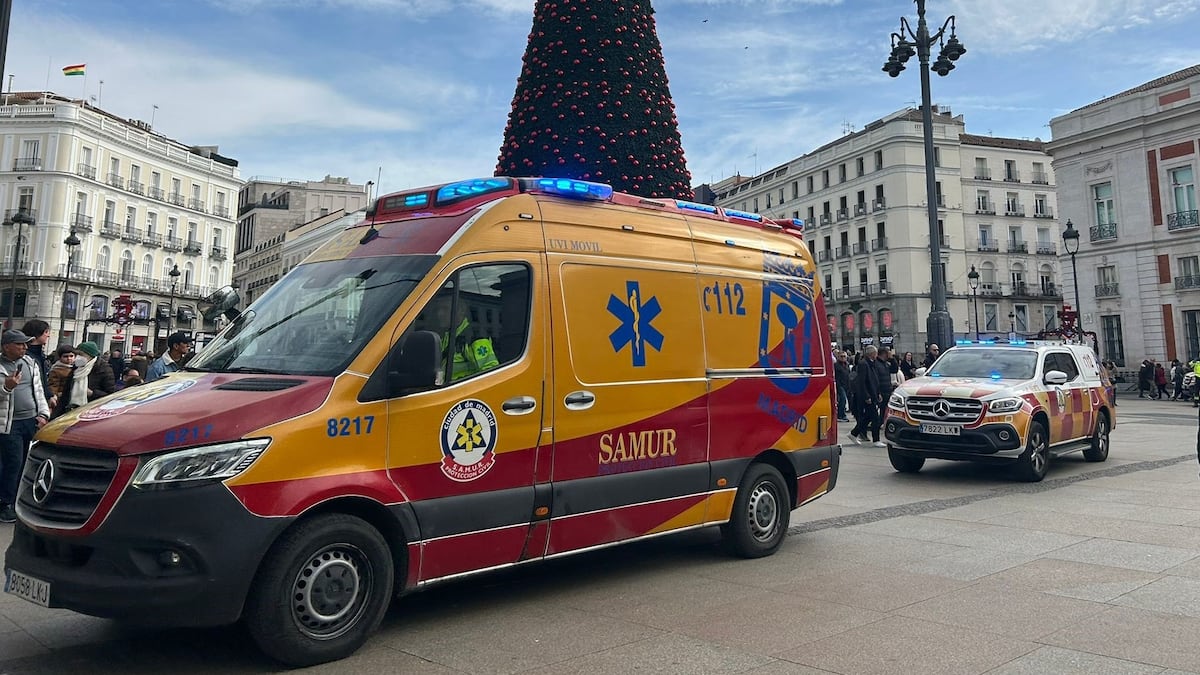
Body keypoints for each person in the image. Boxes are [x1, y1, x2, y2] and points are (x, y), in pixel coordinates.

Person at [0, 329, 50, 524]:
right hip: (8, 424)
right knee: (12, 463)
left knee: (26, 462)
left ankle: (18, 499)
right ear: (6, 346)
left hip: (31, 420)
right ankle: (6, 503)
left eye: (25, 344)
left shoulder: (30, 363)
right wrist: (7, 387)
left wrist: (43, 413)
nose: (25, 347)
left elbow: (37, 390)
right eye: (20, 344)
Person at [849, 345, 885, 446]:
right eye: (875, 353)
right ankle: (876, 439)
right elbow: (862, 382)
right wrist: (866, 396)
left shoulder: (872, 363)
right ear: (872, 354)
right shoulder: (863, 364)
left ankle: (854, 433)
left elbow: (874, 379)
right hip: (868, 395)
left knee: (867, 417)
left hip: (873, 393)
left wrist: (878, 393)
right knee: (875, 418)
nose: (876, 355)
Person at [19, 319, 51, 403]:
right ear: (37, 334)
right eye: (46, 332)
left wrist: (48, 395)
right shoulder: (25, 356)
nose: (48, 335)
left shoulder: (40, 355)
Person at [46, 344, 77, 415]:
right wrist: (55, 396)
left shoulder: (76, 367)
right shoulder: (56, 369)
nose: (69, 358)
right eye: (65, 356)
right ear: (60, 357)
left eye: (71, 356)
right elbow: (53, 385)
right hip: (62, 399)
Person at [833, 351, 851, 422]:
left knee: (843, 400)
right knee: (842, 399)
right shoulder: (836, 365)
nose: (843, 358)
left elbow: (848, 375)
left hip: (846, 384)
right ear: (838, 357)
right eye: (841, 356)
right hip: (839, 385)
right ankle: (841, 415)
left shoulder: (847, 365)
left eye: (844, 356)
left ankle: (842, 414)